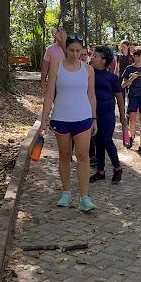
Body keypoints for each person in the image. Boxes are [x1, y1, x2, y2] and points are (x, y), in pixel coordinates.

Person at [40, 33, 97, 211]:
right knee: (64, 155)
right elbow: (49, 96)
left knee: (83, 155)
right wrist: (44, 121)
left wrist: (94, 118)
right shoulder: (56, 67)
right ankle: (66, 192)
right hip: (61, 118)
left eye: (78, 50)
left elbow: (91, 95)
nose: (75, 54)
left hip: (83, 117)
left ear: (82, 51)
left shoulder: (88, 70)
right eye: (71, 50)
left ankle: (84, 197)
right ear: (66, 49)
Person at [90, 46, 126, 184]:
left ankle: (117, 168)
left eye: (96, 56)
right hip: (93, 115)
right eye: (92, 56)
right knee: (97, 142)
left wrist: (122, 116)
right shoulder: (88, 73)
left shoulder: (111, 78)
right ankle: (100, 171)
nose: (92, 58)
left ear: (104, 60)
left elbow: (120, 97)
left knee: (106, 140)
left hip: (107, 115)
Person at [121, 47, 141, 155]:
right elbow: (123, 85)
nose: (140, 58)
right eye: (137, 56)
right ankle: (131, 137)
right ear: (134, 56)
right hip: (132, 96)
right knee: (132, 119)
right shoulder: (129, 69)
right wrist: (131, 79)